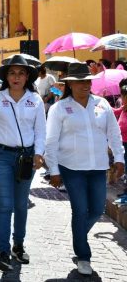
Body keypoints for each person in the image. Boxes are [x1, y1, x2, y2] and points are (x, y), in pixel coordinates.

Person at [46, 62, 124, 276]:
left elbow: (114, 134)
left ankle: (78, 236)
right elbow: (50, 141)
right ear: (69, 84)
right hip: (71, 167)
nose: (85, 85)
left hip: (98, 166)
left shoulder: (102, 105)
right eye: (79, 82)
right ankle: (83, 255)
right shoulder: (59, 108)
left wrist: (119, 158)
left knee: (97, 210)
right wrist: (53, 169)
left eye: (87, 81)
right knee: (80, 210)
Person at [0, 55, 45, 272]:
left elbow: (41, 131)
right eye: (12, 73)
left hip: (26, 158)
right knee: (5, 204)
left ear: (27, 77)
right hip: (1, 157)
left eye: (21, 73)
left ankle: (19, 245)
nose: (16, 77)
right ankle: (3, 251)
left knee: (21, 204)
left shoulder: (36, 100)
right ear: (6, 76)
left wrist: (39, 153)